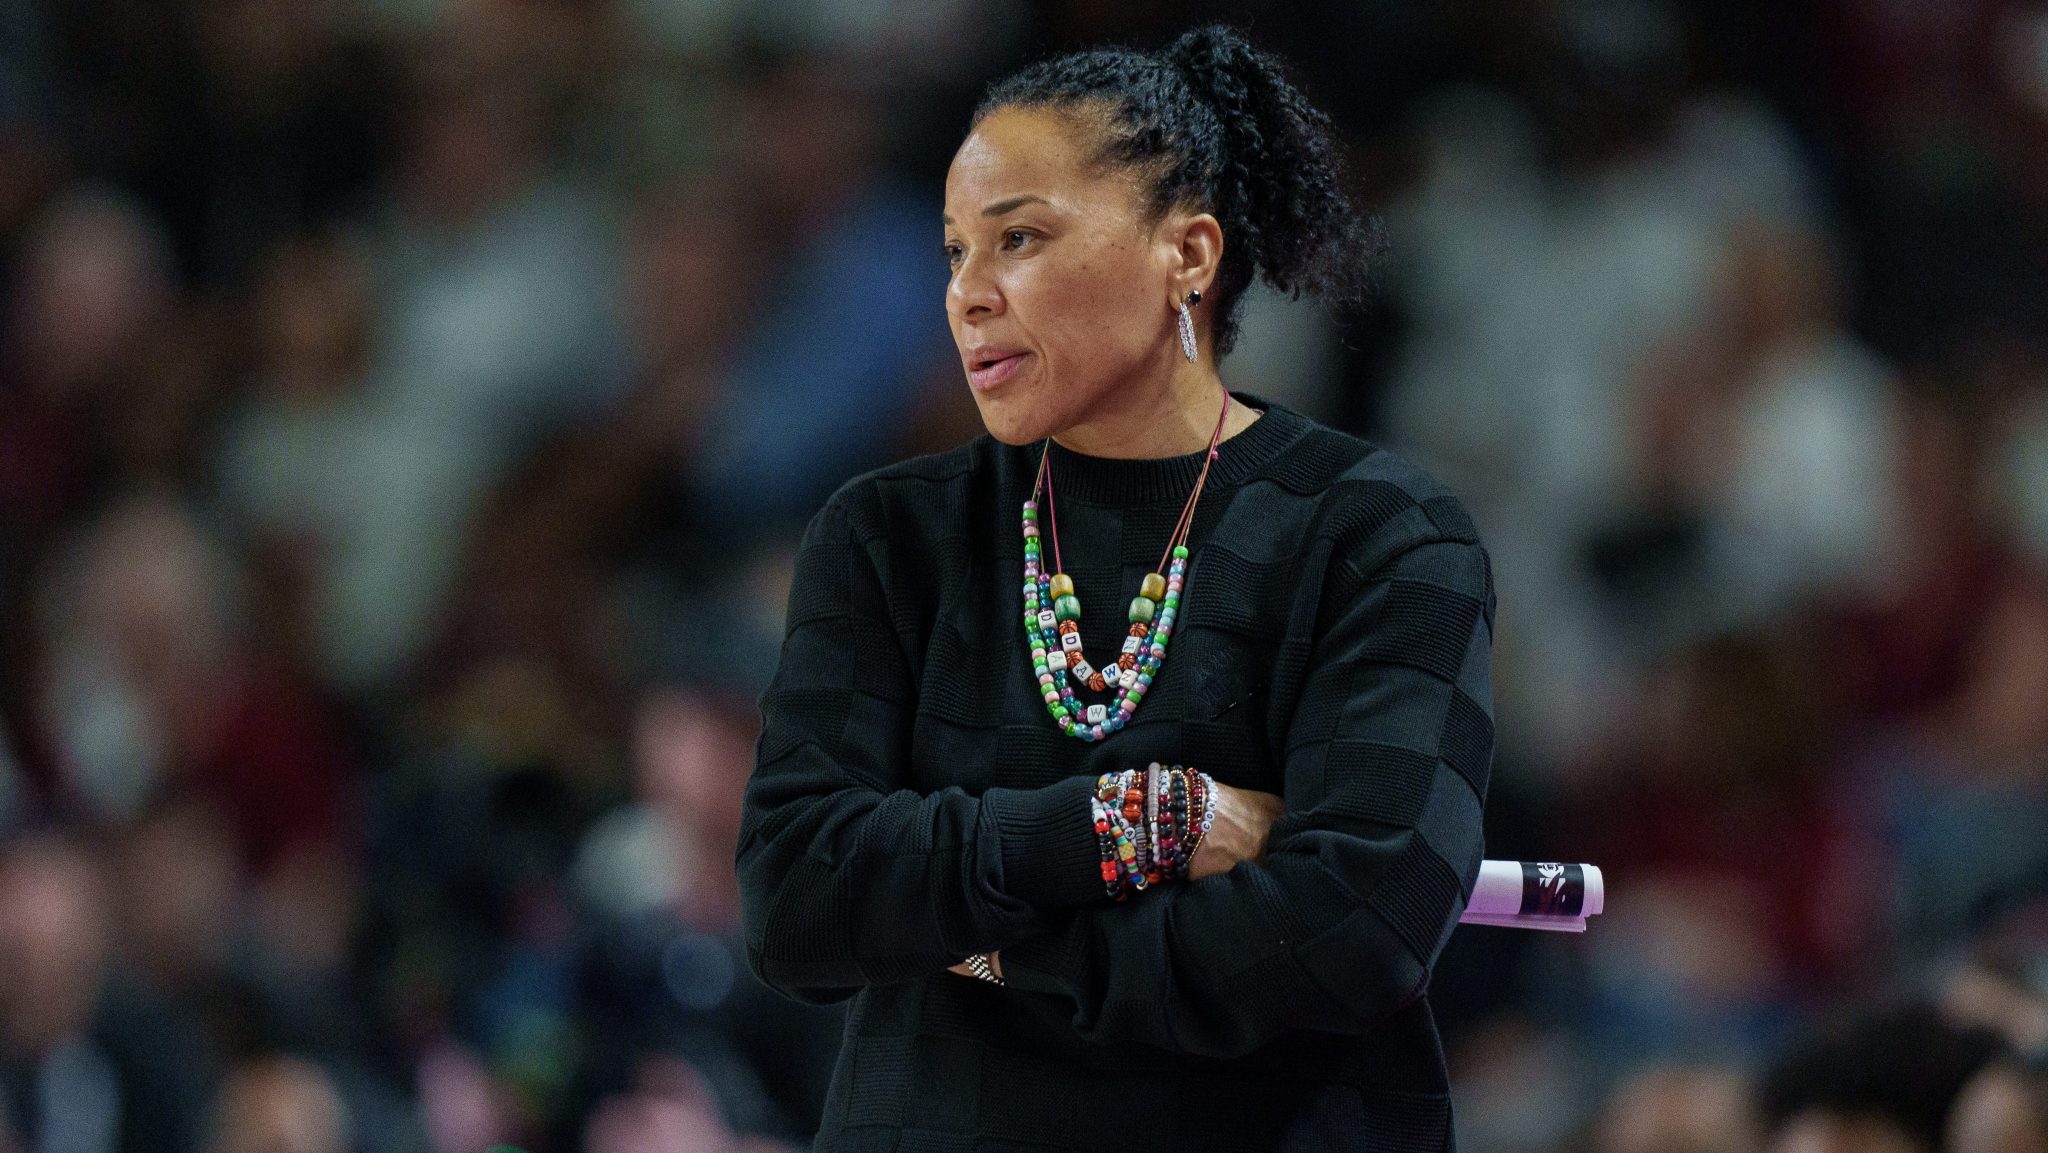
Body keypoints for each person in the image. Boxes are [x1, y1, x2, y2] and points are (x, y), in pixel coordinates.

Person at [735, 24, 1497, 1152]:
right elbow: (798, 900)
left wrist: (983, 943)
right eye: (955, 252)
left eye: (1019, 238)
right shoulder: (887, 534)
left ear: (1186, 254)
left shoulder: (1379, 536)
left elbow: (1356, 931)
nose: (966, 294)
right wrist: (1136, 823)